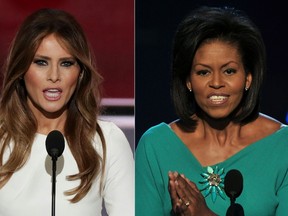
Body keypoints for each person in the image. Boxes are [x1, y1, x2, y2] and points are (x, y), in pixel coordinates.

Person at [135, 5, 288, 216]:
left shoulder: (282, 148)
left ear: (248, 78)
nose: (216, 83)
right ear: (188, 80)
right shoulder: (155, 147)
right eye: (203, 72)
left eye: (229, 71)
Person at [0, 8, 134, 216]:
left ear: (80, 72)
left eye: (66, 63)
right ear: (21, 70)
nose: (54, 76)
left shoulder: (106, 141)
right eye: (41, 62)